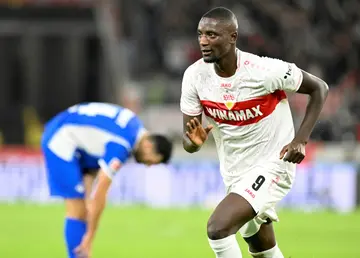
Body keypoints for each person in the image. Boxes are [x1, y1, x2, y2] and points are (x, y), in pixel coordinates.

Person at [180, 7, 328, 258]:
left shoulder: (264, 70)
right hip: (235, 172)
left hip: (274, 164)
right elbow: (188, 139)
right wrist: (193, 144)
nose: (204, 41)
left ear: (233, 37)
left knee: (218, 228)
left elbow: (319, 88)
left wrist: (300, 140)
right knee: (261, 246)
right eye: (201, 34)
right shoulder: (195, 77)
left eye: (212, 35)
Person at [41, 102, 173, 258]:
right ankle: (78, 254)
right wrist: (90, 236)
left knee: (84, 208)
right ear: (148, 146)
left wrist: (90, 200)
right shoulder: (122, 144)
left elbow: (96, 143)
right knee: (76, 210)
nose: (148, 165)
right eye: (151, 161)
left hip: (74, 139)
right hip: (60, 140)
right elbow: (101, 192)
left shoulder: (134, 126)